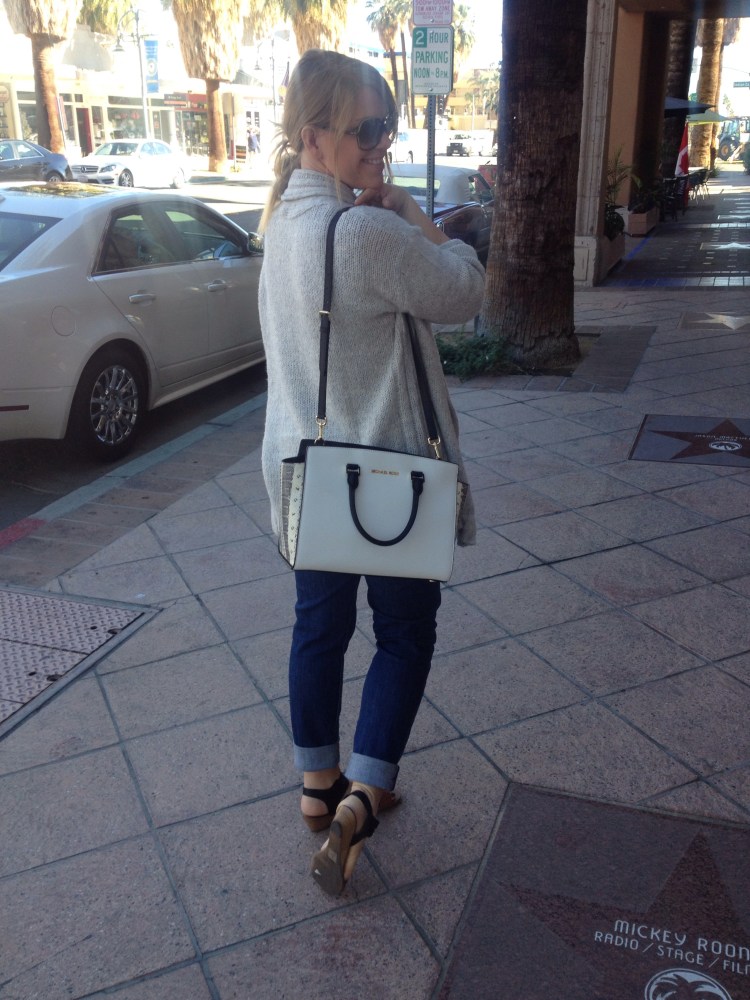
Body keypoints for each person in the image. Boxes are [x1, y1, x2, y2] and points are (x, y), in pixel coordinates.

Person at [258, 49, 485, 897]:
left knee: (317, 629)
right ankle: (364, 793)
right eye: (368, 129)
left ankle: (317, 787)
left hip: (308, 477)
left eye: (388, 126)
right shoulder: (366, 233)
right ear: (314, 135)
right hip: (390, 482)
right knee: (404, 636)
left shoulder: (281, 225)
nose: (383, 143)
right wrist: (419, 216)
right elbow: (466, 290)